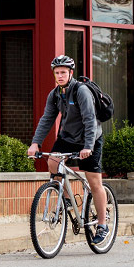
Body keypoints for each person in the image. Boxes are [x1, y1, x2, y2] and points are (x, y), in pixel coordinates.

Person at [27, 55, 109, 245]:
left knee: (94, 181)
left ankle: (102, 225)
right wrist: (35, 143)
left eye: (63, 72)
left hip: (91, 138)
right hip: (68, 137)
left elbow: (90, 119)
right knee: (53, 162)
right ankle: (66, 200)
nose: (60, 75)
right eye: (57, 73)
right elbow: (47, 119)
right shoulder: (55, 94)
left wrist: (88, 146)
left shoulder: (81, 91)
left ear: (70, 73)